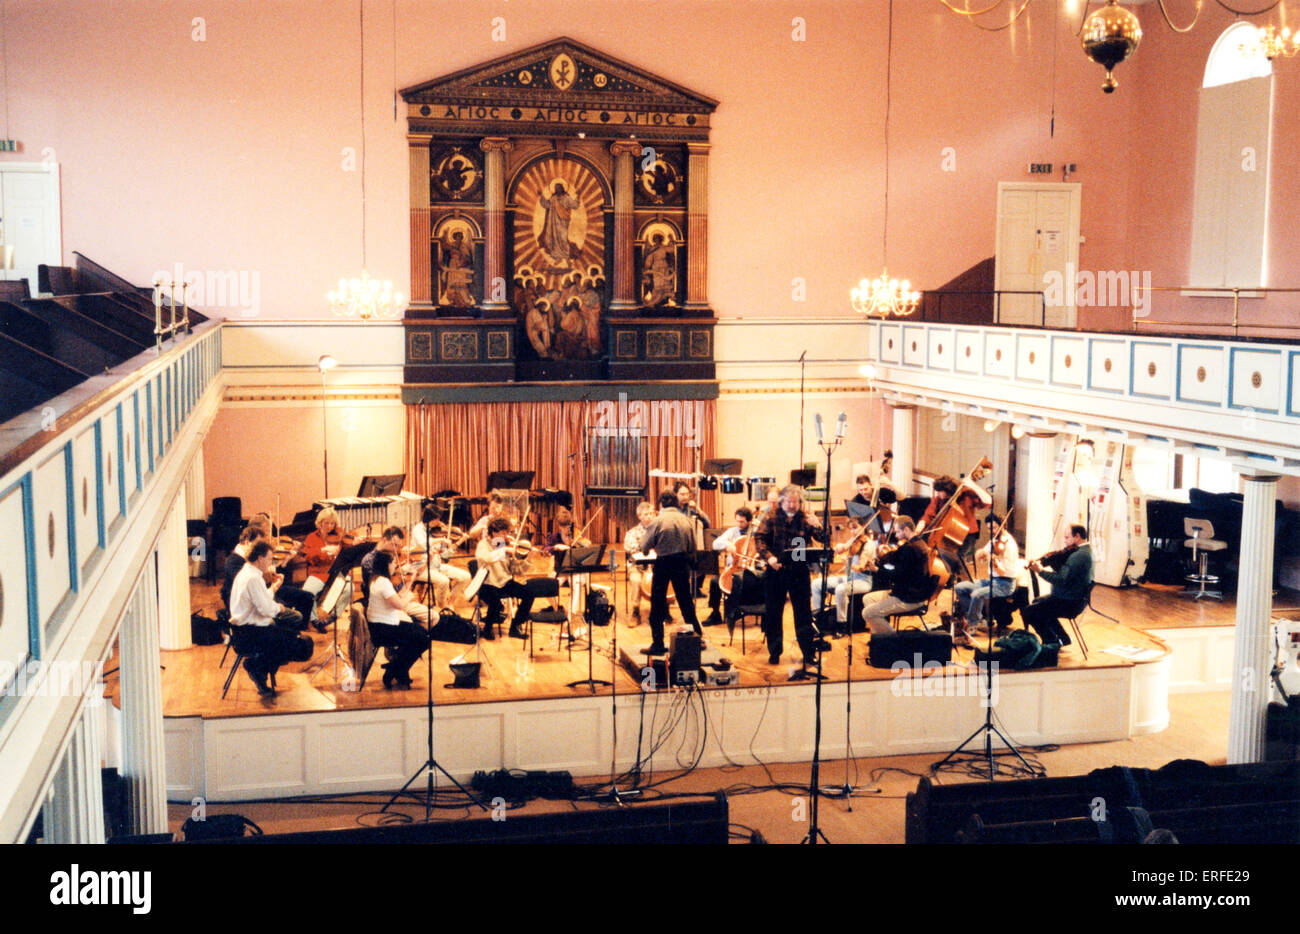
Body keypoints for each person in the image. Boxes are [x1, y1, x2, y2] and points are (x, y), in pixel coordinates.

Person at [753, 485, 829, 665]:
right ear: (781, 501)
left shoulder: (805, 518)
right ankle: (775, 651)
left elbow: (823, 539)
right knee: (774, 613)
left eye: (795, 502)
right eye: (788, 502)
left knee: (803, 614)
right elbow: (759, 538)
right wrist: (769, 558)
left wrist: (818, 525)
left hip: (799, 571)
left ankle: (808, 653)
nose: (792, 505)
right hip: (776, 570)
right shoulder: (771, 516)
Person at [228, 541, 307, 696]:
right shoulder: (253, 578)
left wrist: (275, 586)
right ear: (260, 558)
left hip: (244, 629)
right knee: (297, 643)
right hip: (249, 633)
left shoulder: (248, 573)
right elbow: (266, 609)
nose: (272, 563)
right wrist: (280, 608)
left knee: (290, 633)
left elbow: (262, 600)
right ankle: (257, 666)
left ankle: (262, 669)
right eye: (270, 559)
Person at [639, 490, 703, 655]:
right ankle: (697, 638)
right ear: (676, 504)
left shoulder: (657, 521)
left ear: (661, 505)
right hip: (681, 563)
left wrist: (647, 549)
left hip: (663, 563)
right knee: (686, 602)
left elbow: (644, 547)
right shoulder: (686, 520)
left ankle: (658, 644)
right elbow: (692, 547)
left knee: (657, 604)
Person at [947, 514, 1021, 646]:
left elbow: (1004, 572)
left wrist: (994, 562)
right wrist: (982, 553)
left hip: (1005, 583)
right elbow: (978, 555)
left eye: (994, 528)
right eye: (988, 528)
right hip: (991, 580)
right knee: (960, 587)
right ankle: (979, 619)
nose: (991, 531)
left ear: (1002, 525)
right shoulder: (995, 540)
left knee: (977, 593)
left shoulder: (1008, 545)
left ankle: (972, 625)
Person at [860, 516, 936, 637]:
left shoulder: (912, 549)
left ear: (906, 529)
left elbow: (896, 576)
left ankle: (893, 640)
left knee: (867, 613)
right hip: (905, 592)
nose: (895, 535)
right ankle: (880, 638)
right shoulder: (916, 543)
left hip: (910, 598)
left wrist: (877, 569)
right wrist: (881, 558)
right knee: (868, 598)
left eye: (897, 531)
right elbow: (896, 557)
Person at [247, 513, 325, 631]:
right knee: (302, 598)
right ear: (257, 533)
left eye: (269, 531)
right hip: (267, 590)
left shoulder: (267, 547)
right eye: (266, 532)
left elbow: (279, 566)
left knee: (308, 597)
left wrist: (286, 559)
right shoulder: (253, 552)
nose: (270, 535)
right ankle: (293, 628)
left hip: (276, 584)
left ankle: (301, 627)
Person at [1021, 523, 1093, 647]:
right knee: (1038, 602)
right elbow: (1067, 575)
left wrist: (1040, 571)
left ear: (1077, 537)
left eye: (1067, 538)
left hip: (1070, 603)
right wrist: (1055, 563)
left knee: (1029, 612)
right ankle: (1063, 638)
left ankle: (1051, 642)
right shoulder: (1084, 551)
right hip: (1072, 598)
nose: (1065, 542)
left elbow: (1060, 579)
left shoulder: (1079, 556)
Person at [366, 559, 433, 689]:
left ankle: (397, 668)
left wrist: (410, 581)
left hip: (382, 625)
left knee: (422, 634)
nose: (395, 565)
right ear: (385, 565)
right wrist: (408, 598)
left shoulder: (377, 580)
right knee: (423, 639)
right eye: (392, 563)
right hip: (382, 629)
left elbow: (397, 596)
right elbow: (400, 605)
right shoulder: (384, 582)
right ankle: (394, 669)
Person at [811, 515, 874, 634]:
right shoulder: (854, 541)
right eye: (851, 528)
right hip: (850, 578)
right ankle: (819, 619)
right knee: (816, 583)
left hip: (863, 581)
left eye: (855, 528)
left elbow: (860, 568)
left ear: (863, 527)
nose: (853, 531)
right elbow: (843, 547)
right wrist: (839, 547)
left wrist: (847, 563)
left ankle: (842, 624)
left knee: (840, 589)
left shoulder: (868, 545)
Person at [475, 517, 535, 640]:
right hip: (487, 583)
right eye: (503, 532)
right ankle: (488, 628)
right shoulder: (483, 545)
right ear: (494, 532)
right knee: (495, 601)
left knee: (529, 594)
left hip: (504, 582)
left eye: (506, 532)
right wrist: (503, 550)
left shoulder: (503, 545)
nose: (506, 535)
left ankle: (516, 625)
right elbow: (487, 558)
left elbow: (516, 570)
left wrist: (528, 560)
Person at [361, 526, 431, 625]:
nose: (397, 549)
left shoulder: (392, 557)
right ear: (385, 540)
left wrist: (408, 573)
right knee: (420, 623)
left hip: (399, 598)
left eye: (399, 546)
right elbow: (379, 587)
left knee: (431, 617)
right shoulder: (369, 560)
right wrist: (399, 574)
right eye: (395, 545)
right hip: (385, 606)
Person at [407, 507, 472, 612]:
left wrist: (459, 542)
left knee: (466, 576)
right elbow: (424, 544)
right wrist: (441, 539)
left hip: (437, 566)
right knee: (444, 581)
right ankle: (442, 607)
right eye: (437, 519)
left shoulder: (436, 531)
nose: (439, 522)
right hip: (421, 568)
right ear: (429, 519)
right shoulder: (417, 530)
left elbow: (445, 555)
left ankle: (450, 603)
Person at [705, 507, 754, 627]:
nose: (739, 524)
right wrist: (728, 544)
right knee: (715, 582)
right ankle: (715, 613)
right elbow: (715, 544)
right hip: (733, 568)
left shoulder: (756, 531)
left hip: (750, 569)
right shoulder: (733, 531)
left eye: (742, 522)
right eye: (737, 521)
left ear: (749, 521)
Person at [623, 501, 656, 626]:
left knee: (666, 577)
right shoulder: (632, 532)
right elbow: (630, 548)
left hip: (656, 566)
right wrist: (647, 547)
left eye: (652, 513)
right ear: (639, 516)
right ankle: (636, 611)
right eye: (646, 514)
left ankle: (663, 609)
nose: (650, 516)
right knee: (636, 580)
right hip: (638, 567)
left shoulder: (659, 529)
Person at [300, 506, 343, 597]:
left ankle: (330, 611)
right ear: (320, 523)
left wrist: (355, 541)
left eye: (332, 523)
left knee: (348, 590)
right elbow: (308, 555)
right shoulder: (312, 537)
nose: (330, 526)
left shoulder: (338, 535)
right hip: (317, 574)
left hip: (335, 574)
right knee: (307, 593)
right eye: (326, 523)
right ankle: (314, 612)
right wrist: (324, 549)